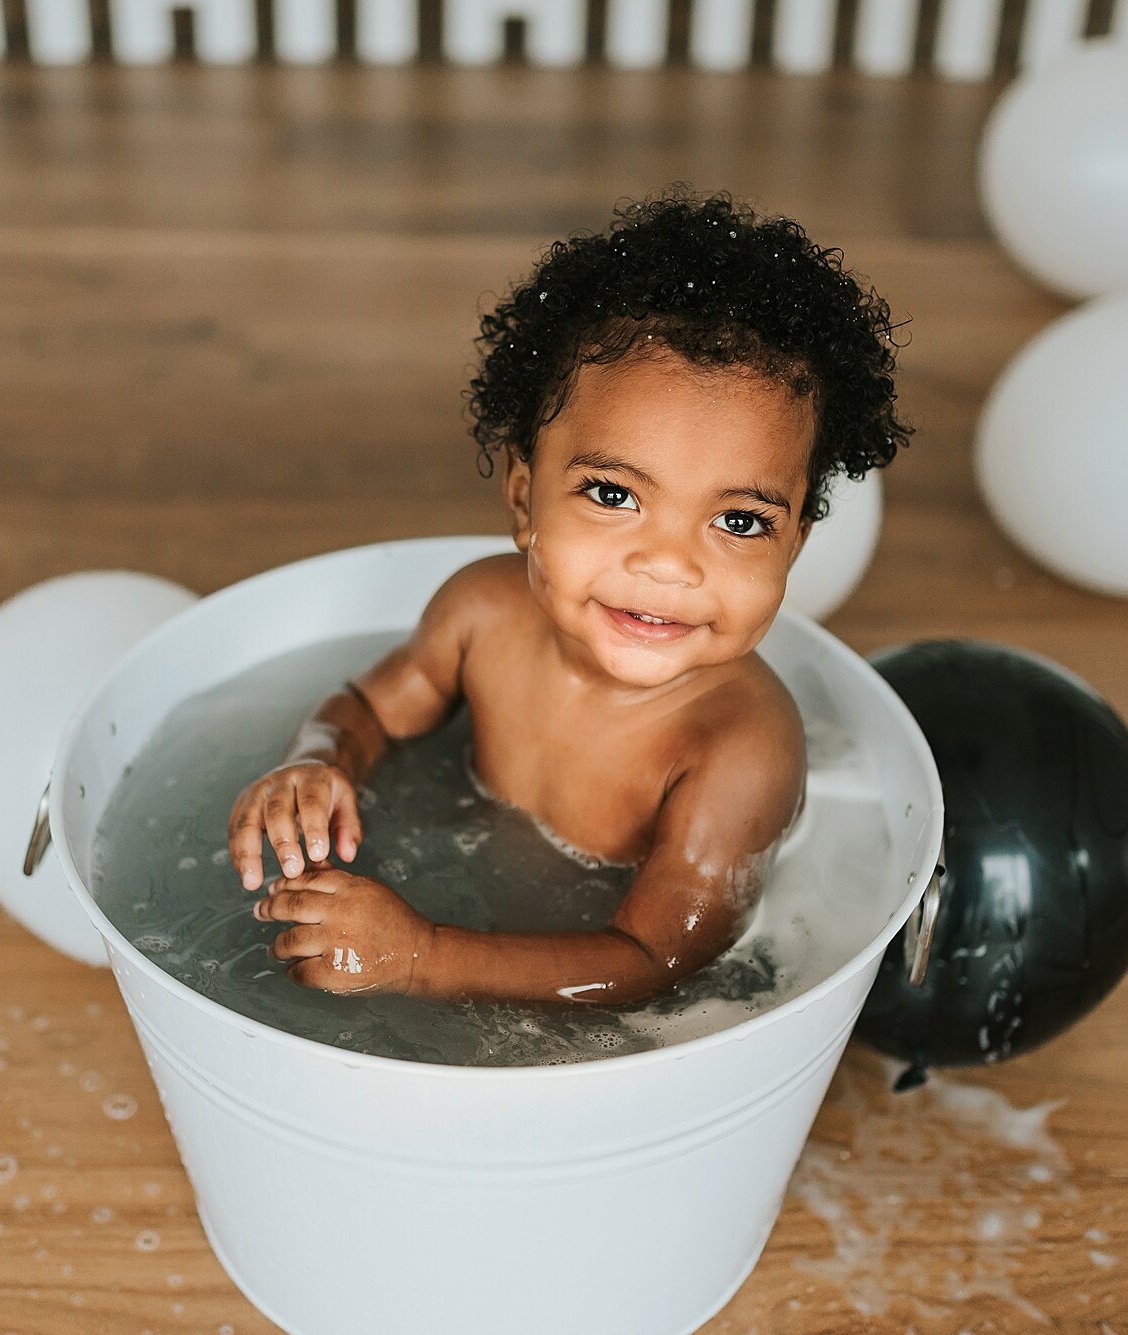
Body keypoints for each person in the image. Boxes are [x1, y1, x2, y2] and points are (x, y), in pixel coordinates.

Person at [226, 190, 911, 1005]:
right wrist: (318, 761)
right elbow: (370, 710)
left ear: (795, 541)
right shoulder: (480, 611)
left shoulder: (740, 745)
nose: (667, 563)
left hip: (626, 1024)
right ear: (523, 498)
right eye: (615, 495)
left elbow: (653, 960)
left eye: (738, 519)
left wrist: (421, 955)